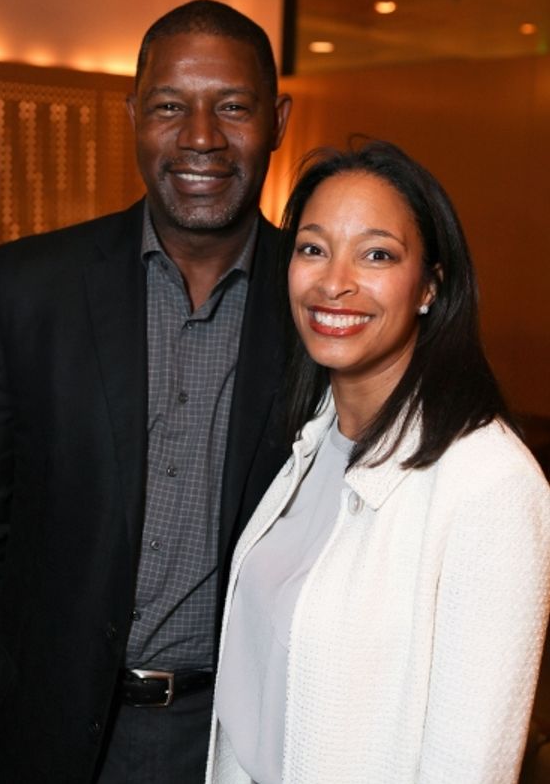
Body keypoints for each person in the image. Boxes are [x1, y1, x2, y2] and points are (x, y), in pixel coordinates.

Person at [0, 0, 292, 784]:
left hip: (238, 740)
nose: (201, 136)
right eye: (171, 106)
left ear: (277, 119)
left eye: (232, 106)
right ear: (133, 114)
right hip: (41, 732)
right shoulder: (24, 290)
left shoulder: (322, 310)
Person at [207, 140, 550, 784]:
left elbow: (469, 768)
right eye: (313, 248)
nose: (334, 282)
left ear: (429, 286)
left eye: (377, 255)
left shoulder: (489, 483)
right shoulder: (315, 442)